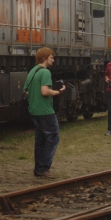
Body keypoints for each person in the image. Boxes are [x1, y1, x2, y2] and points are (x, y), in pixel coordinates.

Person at [23, 47, 62, 178]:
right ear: (45, 58)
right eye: (51, 57)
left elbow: (26, 91)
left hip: (34, 110)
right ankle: (44, 168)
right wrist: (58, 92)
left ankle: (38, 168)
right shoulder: (45, 72)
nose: (53, 60)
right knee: (53, 138)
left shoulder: (32, 71)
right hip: (45, 110)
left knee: (40, 140)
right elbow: (45, 91)